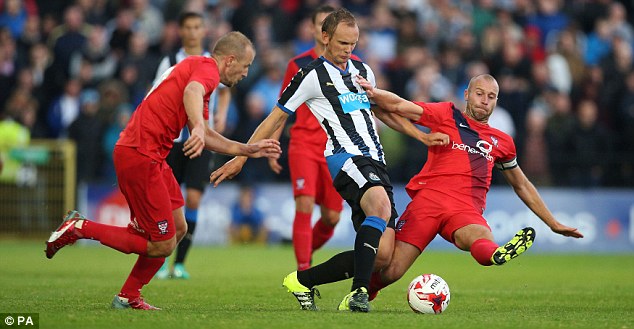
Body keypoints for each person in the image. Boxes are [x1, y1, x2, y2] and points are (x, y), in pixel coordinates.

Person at [209, 8, 447, 312]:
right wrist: (241, 156)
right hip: (345, 158)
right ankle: (358, 294)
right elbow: (275, 118)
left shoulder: (363, 70)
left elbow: (381, 112)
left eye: (353, 44)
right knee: (380, 207)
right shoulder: (311, 75)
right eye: (343, 43)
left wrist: (423, 137)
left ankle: (302, 280)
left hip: (375, 160)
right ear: (325, 37)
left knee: (382, 255)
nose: (348, 50)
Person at [44, 31, 281, 310]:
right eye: (246, 65)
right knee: (161, 244)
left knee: (178, 229)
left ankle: (128, 296)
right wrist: (196, 129)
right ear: (230, 60)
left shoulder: (199, 74)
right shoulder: (206, 70)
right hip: (140, 155)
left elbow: (205, 131)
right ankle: (79, 228)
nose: (245, 73)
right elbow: (193, 96)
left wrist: (246, 150)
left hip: (152, 157)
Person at [354, 73, 584, 302]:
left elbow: (521, 184)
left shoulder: (502, 142)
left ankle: (495, 254)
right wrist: (374, 93)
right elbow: (399, 105)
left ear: (496, 101)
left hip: (465, 209)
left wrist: (552, 223)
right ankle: (363, 292)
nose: (485, 100)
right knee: (392, 270)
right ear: (467, 95)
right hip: (429, 201)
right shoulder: (446, 114)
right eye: (480, 93)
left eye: (491, 96)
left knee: (482, 237)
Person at [153, 11, 232, 280]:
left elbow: (225, 89)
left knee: (194, 198)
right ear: (181, 31)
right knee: (167, 200)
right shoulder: (170, 60)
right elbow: (157, 91)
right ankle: (162, 261)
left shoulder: (212, 61)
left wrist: (221, 115)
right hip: (174, 140)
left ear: (203, 31)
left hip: (199, 139)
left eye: (197, 26)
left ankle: (180, 263)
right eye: (188, 27)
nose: (192, 31)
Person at [268, 5, 346, 271]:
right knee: (304, 204)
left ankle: (304, 249)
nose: (325, 29)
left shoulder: (352, 65)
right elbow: (282, 109)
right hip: (303, 144)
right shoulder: (298, 64)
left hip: (336, 149)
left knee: (332, 217)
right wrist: (272, 143)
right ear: (313, 29)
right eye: (320, 24)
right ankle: (303, 272)